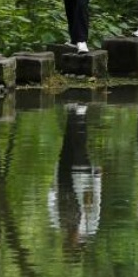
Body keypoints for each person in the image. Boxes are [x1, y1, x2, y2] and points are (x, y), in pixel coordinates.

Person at [50, 103, 102, 248]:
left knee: (67, 144)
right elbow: (96, 203)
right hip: (82, 179)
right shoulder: (90, 225)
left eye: (68, 242)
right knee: (79, 146)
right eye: (72, 242)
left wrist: (52, 188)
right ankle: (81, 114)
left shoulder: (59, 223)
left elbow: (52, 204)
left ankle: (71, 112)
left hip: (64, 183)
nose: (70, 239)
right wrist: (97, 180)